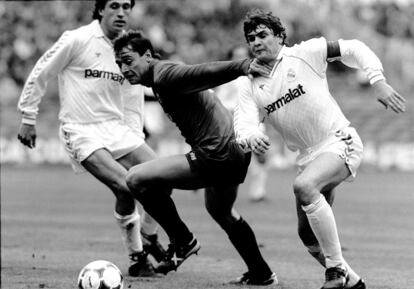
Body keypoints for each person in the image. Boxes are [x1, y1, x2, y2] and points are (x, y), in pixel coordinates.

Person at [234, 9, 406, 289]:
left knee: (304, 186)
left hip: (339, 140)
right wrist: (251, 137)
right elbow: (243, 124)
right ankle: (353, 282)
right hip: (308, 156)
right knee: (307, 236)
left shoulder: (306, 52)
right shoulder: (249, 83)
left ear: (279, 36)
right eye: (251, 37)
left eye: (263, 34)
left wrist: (378, 80)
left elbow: (355, 47)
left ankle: (335, 270)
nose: (256, 41)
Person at [113, 30, 278, 285]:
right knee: (222, 212)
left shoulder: (164, 75)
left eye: (128, 60)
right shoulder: (160, 78)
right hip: (234, 153)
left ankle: (182, 240)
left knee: (135, 179)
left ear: (147, 55)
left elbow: (204, 71)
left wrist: (243, 65)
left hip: (216, 154)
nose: (124, 68)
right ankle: (262, 273)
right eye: (119, 63)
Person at [16, 0, 167, 277]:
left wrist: (134, 135)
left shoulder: (129, 48)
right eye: (114, 6)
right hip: (81, 129)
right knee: (126, 187)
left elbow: (132, 97)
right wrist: (28, 116)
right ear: (100, 9)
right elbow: (42, 70)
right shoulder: (77, 39)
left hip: (117, 129)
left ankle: (148, 236)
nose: (121, 12)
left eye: (126, 6)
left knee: (161, 179)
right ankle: (137, 258)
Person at [216, 44, 269, 202]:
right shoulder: (227, 77)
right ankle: (215, 189)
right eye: (236, 55)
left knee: (262, 155)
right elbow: (220, 101)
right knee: (229, 160)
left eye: (243, 55)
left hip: (254, 122)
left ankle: (258, 192)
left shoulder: (255, 76)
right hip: (234, 122)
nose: (240, 58)